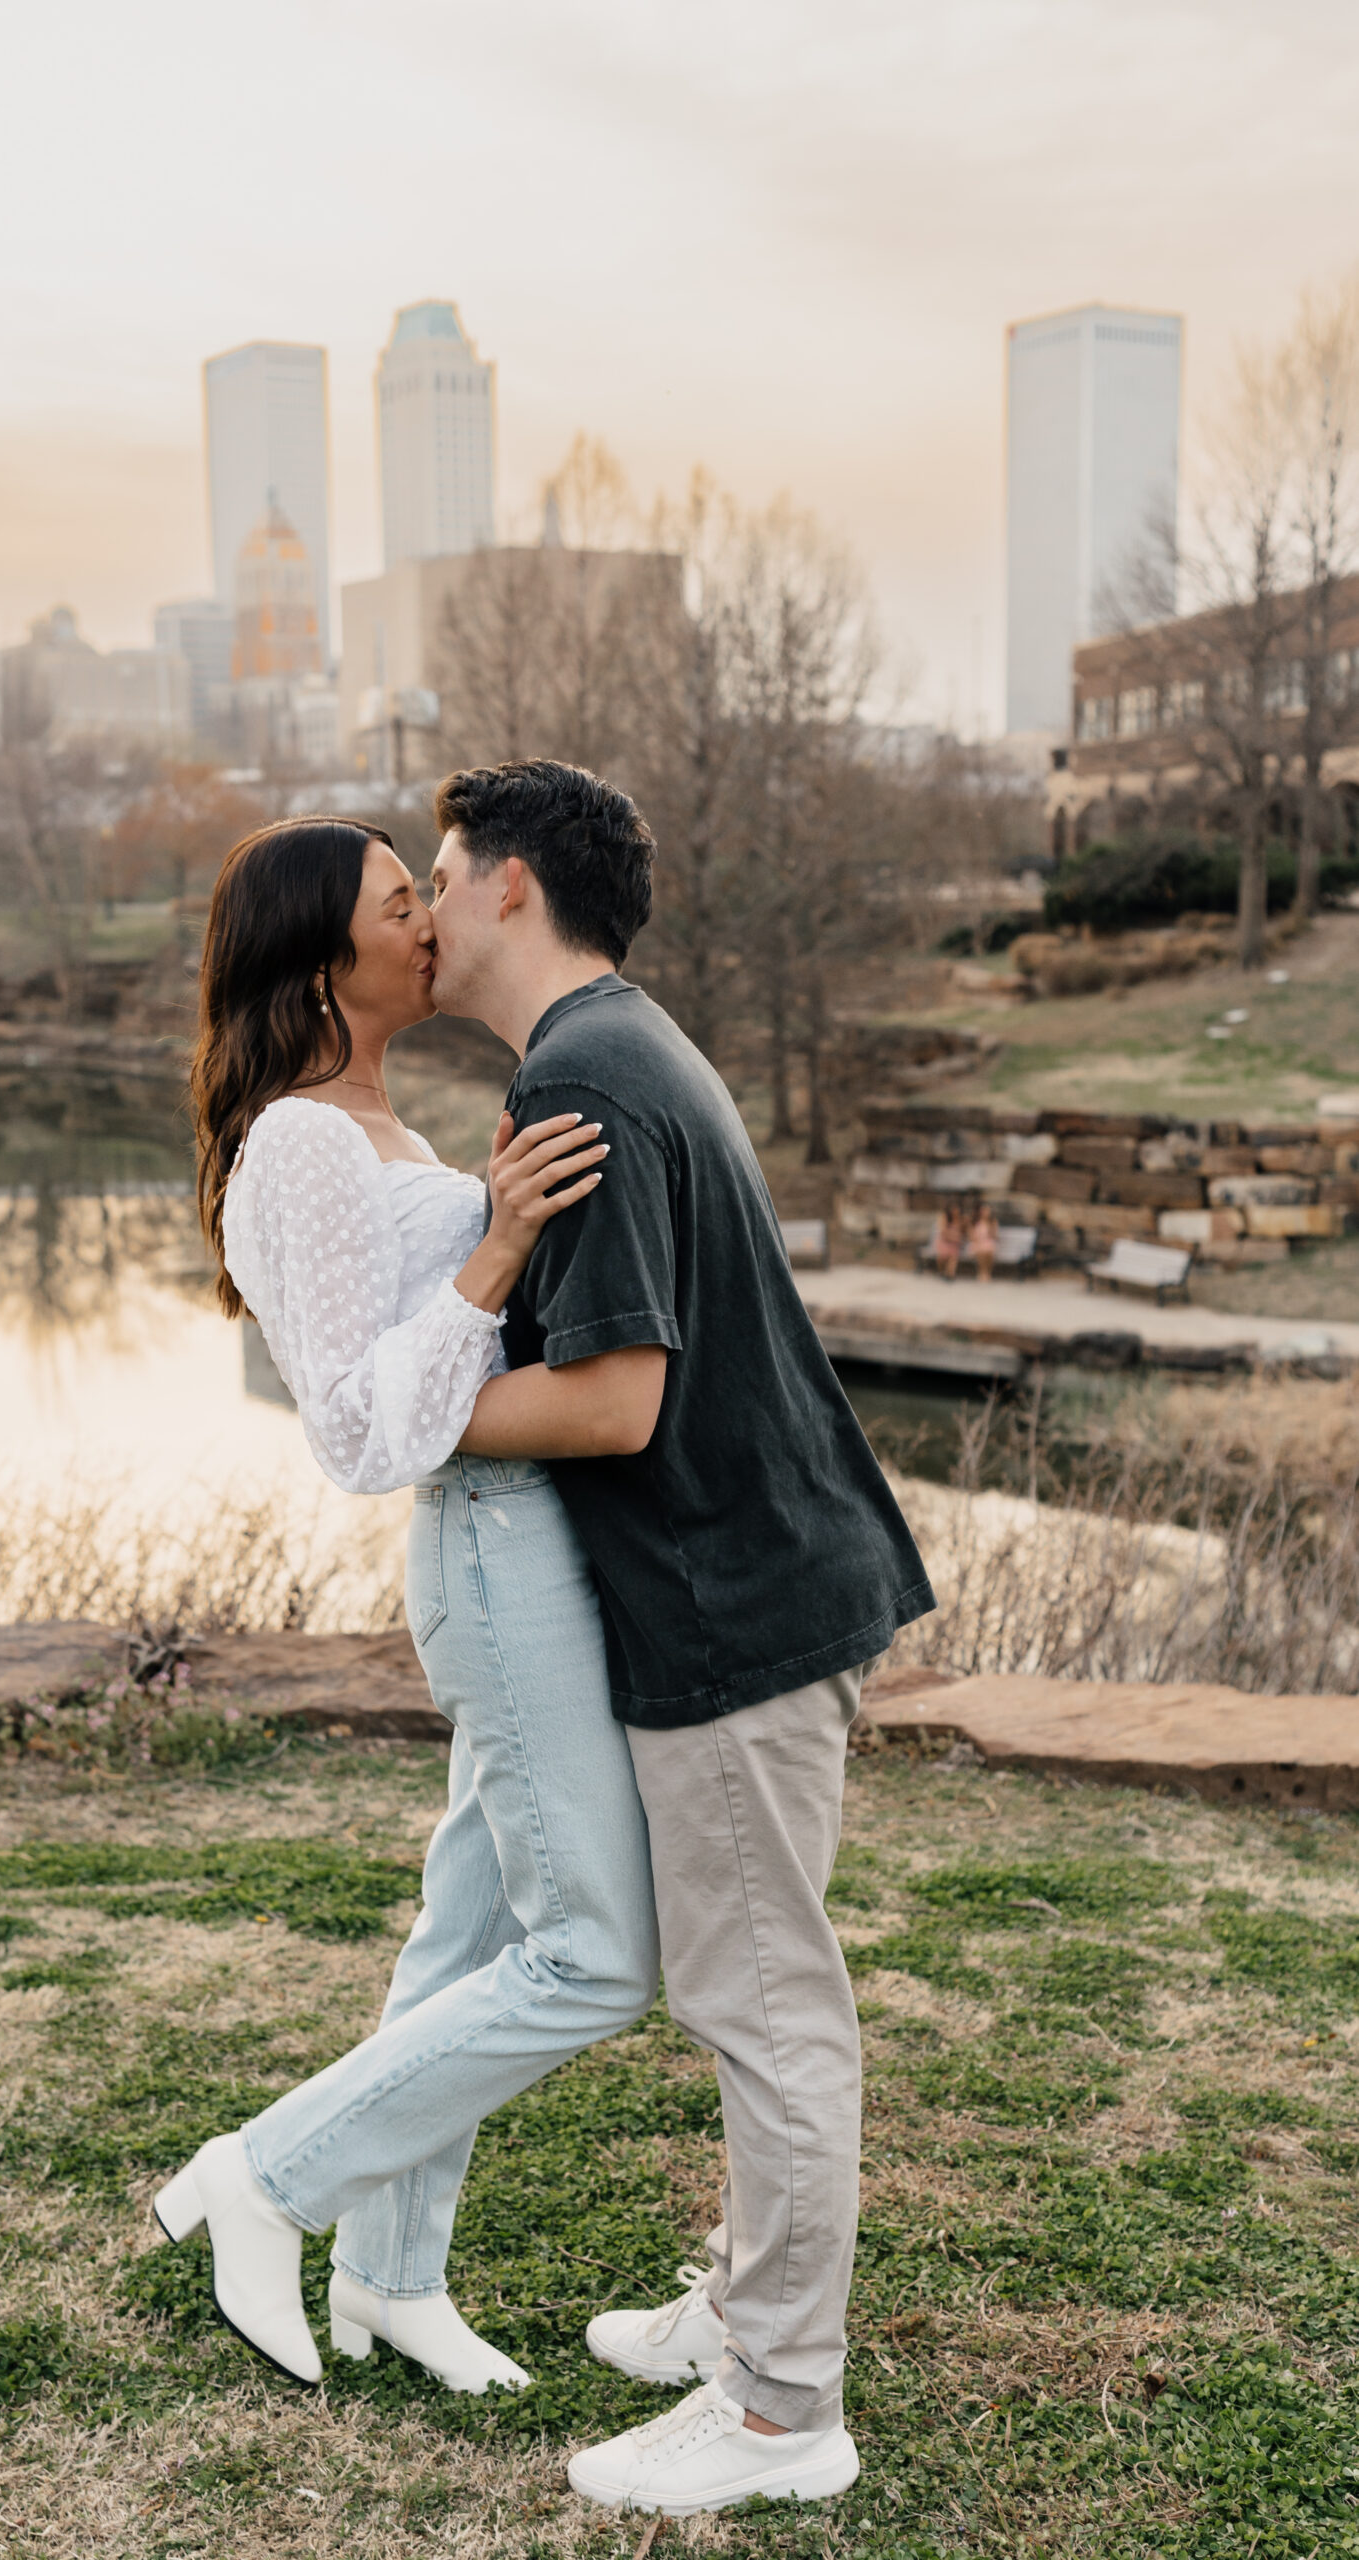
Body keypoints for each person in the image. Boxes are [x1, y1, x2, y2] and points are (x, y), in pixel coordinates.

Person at [424, 760, 935, 2517]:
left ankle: (783, 2412)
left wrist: (398, 1424)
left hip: (740, 1603)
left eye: (436, 869)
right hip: (765, 1583)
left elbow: (619, 1402)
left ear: (506, 885)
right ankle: (742, 2311)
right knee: (751, 1993)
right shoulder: (611, 1047)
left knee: (766, 2005)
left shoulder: (587, 1076)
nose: (418, 904)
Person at [161, 815, 662, 2397]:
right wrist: (500, 1240)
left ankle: (389, 2276)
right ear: (325, 958)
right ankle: (268, 2177)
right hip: (483, 1545)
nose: (430, 928)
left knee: (469, 1935)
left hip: (529, 1533)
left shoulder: (380, 1122)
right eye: (400, 908)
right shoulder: (299, 1144)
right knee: (590, 1952)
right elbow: (357, 1429)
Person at [933, 1200, 965, 1280]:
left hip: (955, 1244)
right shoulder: (944, 1218)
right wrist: (954, 1238)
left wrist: (958, 1239)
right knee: (943, 1254)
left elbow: (964, 1233)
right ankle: (943, 1271)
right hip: (945, 1241)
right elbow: (944, 1233)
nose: (955, 1211)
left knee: (953, 1254)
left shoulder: (962, 1220)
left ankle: (950, 1274)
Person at [970, 1198, 999, 1283]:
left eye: (987, 1210)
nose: (986, 1212)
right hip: (977, 1242)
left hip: (988, 1242)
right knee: (981, 1250)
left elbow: (995, 1236)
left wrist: (990, 1227)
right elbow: (971, 1236)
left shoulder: (992, 1221)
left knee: (989, 1249)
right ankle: (982, 1271)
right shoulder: (975, 1221)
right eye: (984, 1210)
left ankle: (987, 1272)